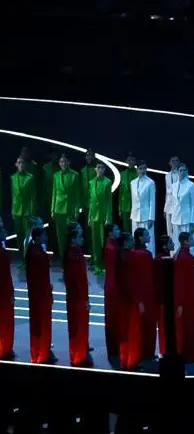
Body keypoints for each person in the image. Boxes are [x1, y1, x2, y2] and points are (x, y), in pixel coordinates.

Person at [122, 227, 157, 369]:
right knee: (147, 325)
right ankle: (145, 353)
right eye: (147, 235)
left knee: (140, 325)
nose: (149, 237)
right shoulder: (145, 255)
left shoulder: (132, 254)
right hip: (146, 294)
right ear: (140, 238)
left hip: (140, 294)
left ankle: (141, 353)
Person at [63, 223, 91, 367]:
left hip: (74, 296)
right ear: (73, 239)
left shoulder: (71, 252)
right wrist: (84, 299)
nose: (82, 239)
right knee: (79, 327)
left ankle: (77, 354)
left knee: (76, 327)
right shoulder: (75, 254)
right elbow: (78, 279)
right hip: (78, 297)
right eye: (79, 237)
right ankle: (79, 357)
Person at [26, 226, 55, 363]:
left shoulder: (33, 251)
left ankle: (37, 352)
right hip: (41, 294)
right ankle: (42, 354)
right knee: (43, 324)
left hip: (37, 293)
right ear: (37, 237)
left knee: (37, 324)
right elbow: (41, 276)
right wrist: (48, 291)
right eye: (44, 235)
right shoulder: (38, 254)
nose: (46, 237)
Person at [174, 231, 194, 363]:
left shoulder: (180, 256)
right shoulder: (187, 258)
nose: (193, 240)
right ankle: (190, 355)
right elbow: (191, 281)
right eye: (191, 239)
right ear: (185, 241)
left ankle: (186, 354)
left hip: (186, 297)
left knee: (186, 327)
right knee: (192, 328)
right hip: (190, 298)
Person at [51, 154, 80, 264]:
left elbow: (77, 194)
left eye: (65, 161)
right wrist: (52, 210)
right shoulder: (56, 175)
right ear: (59, 163)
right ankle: (63, 261)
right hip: (58, 209)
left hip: (70, 209)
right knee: (60, 237)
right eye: (61, 162)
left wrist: (77, 210)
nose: (63, 163)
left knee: (71, 236)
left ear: (68, 162)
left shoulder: (74, 175)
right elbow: (54, 193)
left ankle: (72, 260)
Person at [87, 161, 114, 274]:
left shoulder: (107, 182)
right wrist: (89, 216)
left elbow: (109, 201)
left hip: (103, 216)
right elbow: (91, 201)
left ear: (104, 170)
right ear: (95, 169)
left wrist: (108, 217)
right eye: (98, 167)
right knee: (95, 242)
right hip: (94, 216)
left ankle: (104, 265)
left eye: (102, 168)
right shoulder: (91, 182)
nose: (100, 169)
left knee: (104, 242)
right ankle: (97, 265)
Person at [10, 156, 37, 262]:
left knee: (27, 236)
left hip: (27, 212)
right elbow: (13, 195)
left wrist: (32, 212)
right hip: (16, 211)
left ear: (25, 165)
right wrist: (13, 210)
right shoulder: (13, 178)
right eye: (19, 162)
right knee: (19, 236)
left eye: (22, 162)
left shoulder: (30, 177)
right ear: (16, 165)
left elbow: (32, 197)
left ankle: (27, 259)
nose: (21, 164)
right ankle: (22, 259)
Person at [103, 224, 124, 361]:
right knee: (114, 318)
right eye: (116, 229)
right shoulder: (112, 248)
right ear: (110, 233)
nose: (119, 231)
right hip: (114, 285)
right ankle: (114, 348)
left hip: (111, 284)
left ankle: (115, 347)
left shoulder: (112, 246)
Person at [130, 161, 156, 255]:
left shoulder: (150, 183)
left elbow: (152, 201)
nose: (142, 170)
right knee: (136, 238)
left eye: (144, 168)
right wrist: (132, 214)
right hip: (135, 215)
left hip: (146, 215)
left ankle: (150, 258)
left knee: (148, 240)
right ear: (137, 170)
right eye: (140, 168)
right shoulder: (132, 182)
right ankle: (136, 258)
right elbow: (133, 200)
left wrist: (151, 217)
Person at [171, 165, 194, 256]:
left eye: (184, 170)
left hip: (187, 219)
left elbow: (193, 204)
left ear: (187, 171)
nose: (182, 172)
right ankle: (177, 260)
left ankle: (190, 260)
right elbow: (173, 202)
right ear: (177, 172)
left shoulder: (191, 185)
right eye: (180, 170)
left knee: (188, 242)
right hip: (175, 218)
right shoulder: (174, 185)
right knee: (176, 241)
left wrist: (193, 221)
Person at [0, 219, 14, 359]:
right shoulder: (2, 253)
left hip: (5, 291)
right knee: (4, 322)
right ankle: (4, 349)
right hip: (3, 293)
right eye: (2, 230)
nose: (5, 232)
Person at [163, 156, 181, 244]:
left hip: (178, 203)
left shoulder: (181, 173)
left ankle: (178, 246)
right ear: (169, 163)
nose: (174, 163)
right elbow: (167, 191)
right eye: (172, 161)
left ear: (179, 162)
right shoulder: (167, 175)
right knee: (169, 229)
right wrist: (165, 207)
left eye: (176, 161)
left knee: (177, 227)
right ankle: (171, 249)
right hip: (169, 204)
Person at [119, 153, 137, 235]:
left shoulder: (138, 173)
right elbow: (121, 192)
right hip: (125, 205)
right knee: (126, 228)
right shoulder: (122, 174)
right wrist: (120, 208)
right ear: (126, 161)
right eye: (129, 160)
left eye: (133, 160)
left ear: (135, 162)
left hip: (136, 205)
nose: (131, 162)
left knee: (135, 228)